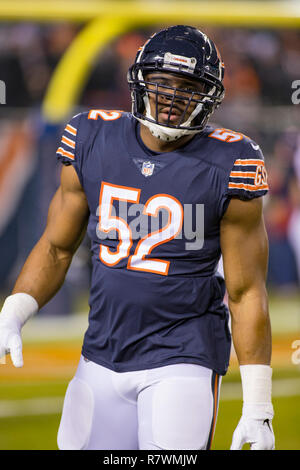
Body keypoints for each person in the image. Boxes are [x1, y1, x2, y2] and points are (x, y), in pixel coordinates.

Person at [0, 25, 275, 451]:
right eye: (163, 83)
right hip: (101, 351)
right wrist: (14, 310)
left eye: (188, 86)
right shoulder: (93, 137)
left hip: (184, 354)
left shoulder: (230, 160)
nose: (172, 97)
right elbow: (56, 247)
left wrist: (258, 405)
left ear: (210, 94)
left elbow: (245, 291)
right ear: (141, 81)